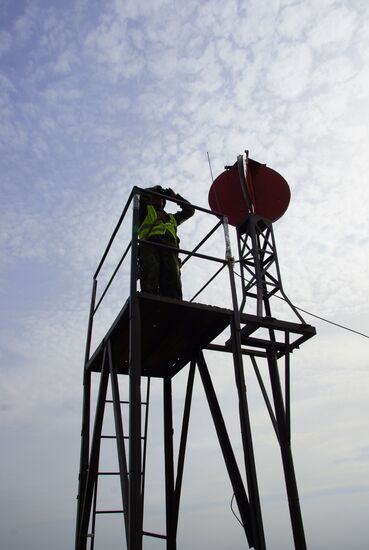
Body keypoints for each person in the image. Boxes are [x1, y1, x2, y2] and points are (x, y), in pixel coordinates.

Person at [138, 185, 195, 299]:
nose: (158, 200)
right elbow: (142, 195)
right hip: (151, 245)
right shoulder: (144, 211)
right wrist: (157, 189)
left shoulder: (172, 218)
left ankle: (174, 306)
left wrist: (175, 197)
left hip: (171, 250)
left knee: (173, 281)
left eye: (160, 198)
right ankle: (150, 302)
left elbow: (190, 211)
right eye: (156, 197)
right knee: (151, 275)